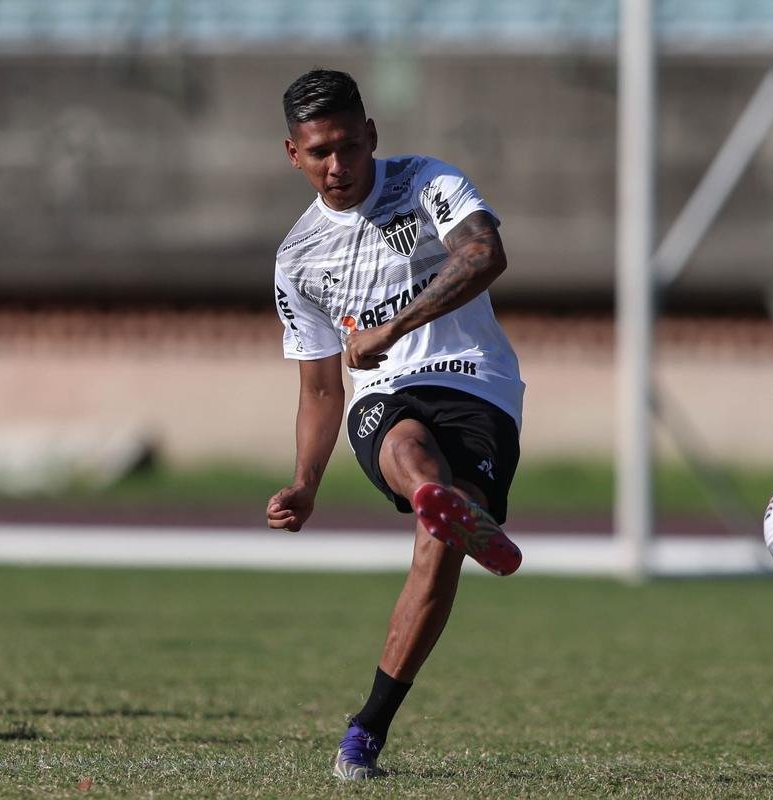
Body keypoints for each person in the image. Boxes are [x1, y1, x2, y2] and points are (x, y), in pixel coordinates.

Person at [265, 69, 525, 780]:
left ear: (372, 134)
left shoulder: (427, 181)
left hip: (478, 382)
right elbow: (322, 389)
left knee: (437, 550)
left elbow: (484, 254)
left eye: (349, 146)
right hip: (384, 393)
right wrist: (305, 481)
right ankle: (441, 504)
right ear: (294, 153)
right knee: (410, 449)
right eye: (320, 152)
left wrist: (390, 326)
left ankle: (367, 730)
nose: (338, 166)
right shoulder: (297, 259)